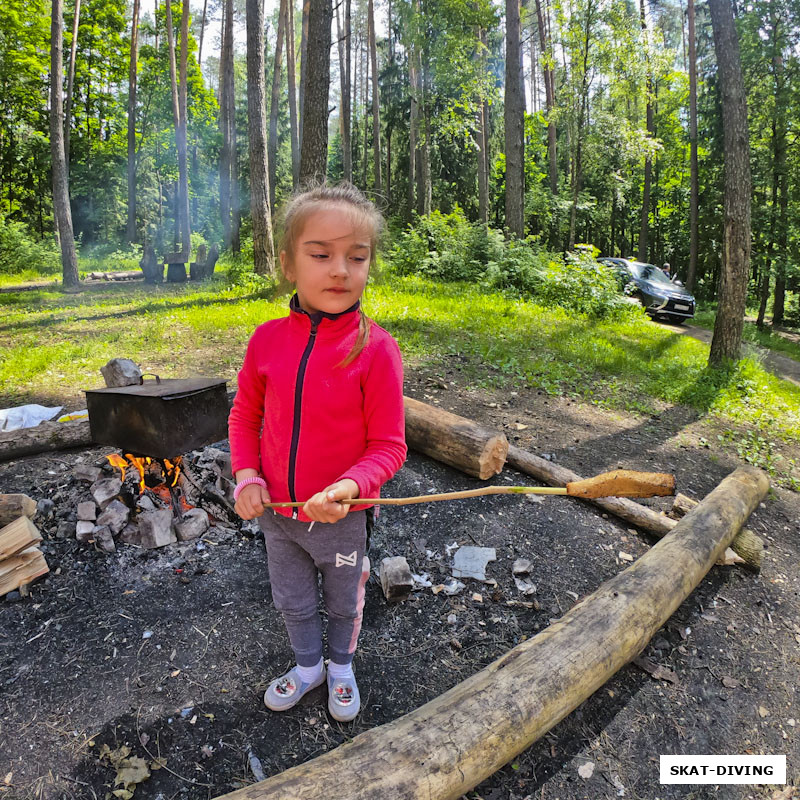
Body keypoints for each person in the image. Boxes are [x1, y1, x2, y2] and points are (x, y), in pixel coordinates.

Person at [228, 183, 407, 723]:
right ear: (288, 263)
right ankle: (308, 668)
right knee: (292, 599)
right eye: (321, 254)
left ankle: (342, 667)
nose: (340, 271)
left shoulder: (377, 350)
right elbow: (244, 417)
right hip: (279, 516)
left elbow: (388, 447)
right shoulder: (265, 341)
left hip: (342, 519)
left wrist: (350, 488)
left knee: (344, 599)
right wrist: (246, 476)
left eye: (356, 257)